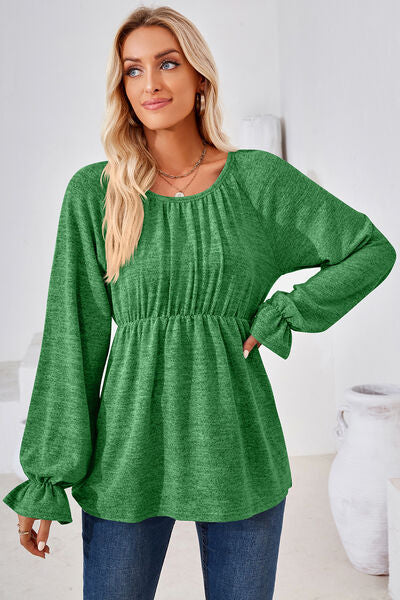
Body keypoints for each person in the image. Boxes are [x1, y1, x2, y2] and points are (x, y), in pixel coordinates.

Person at [3, 5, 396, 600]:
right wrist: (47, 474)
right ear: (122, 88)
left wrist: (284, 311)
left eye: (168, 63)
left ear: (199, 76)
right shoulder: (96, 193)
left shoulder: (257, 180)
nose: (151, 83)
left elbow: (369, 249)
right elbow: (72, 337)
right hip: (127, 454)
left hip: (239, 448)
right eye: (133, 70)